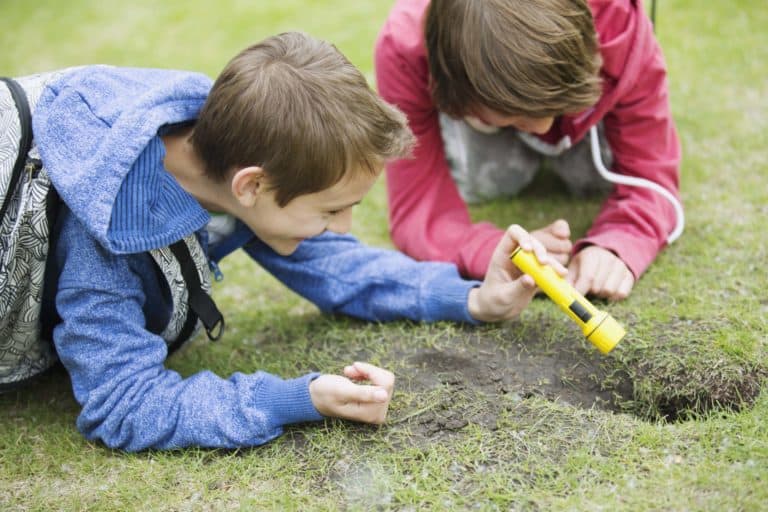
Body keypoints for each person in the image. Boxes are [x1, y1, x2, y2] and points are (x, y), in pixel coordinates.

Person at [8, 32, 561, 451]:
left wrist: (469, 298)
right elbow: (123, 406)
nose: (343, 226)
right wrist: (296, 398)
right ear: (251, 185)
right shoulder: (101, 231)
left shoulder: (221, 147)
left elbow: (334, 265)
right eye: (331, 209)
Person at [374, 0, 683, 301]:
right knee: (488, 184)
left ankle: (548, 108)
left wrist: (618, 244)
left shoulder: (618, 22)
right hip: (472, 100)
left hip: (589, 89)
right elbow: (418, 206)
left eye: (552, 108)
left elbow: (651, 174)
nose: (541, 127)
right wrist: (492, 251)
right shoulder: (405, 46)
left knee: (592, 179)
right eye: (517, 115)